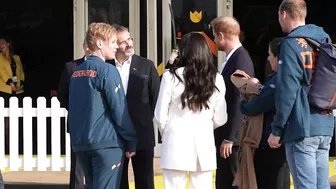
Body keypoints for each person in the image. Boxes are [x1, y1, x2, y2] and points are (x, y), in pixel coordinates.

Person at [267, 1, 334, 189]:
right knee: (322, 186)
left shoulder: (290, 44)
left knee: (305, 186)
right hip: (325, 123)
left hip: (301, 125)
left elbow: (286, 90)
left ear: (284, 14)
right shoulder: (323, 39)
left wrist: (277, 129)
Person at [154, 32, 228, 189]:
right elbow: (221, 117)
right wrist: (206, 125)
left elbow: (159, 115)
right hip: (204, 141)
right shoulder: (217, 78)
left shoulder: (170, 77)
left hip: (175, 141)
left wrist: (167, 131)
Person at [68, 22, 138, 189]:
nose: (116, 47)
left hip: (82, 143)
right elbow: (119, 109)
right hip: (106, 143)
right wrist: (131, 140)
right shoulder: (107, 70)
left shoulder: (76, 72)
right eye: (113, 42)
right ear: (99, 43)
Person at [108, 24, 160, 189]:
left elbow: (155, 98)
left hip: (142, 133)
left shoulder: (146, 65)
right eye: (123, 42)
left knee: (145, 180)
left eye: (130, 39)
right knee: (118, 181)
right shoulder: (106, 66)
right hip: (114, 134)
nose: (129, 44)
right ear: (114, 44)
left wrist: (142, 118)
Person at [239, 38, 290, 189]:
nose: (268, 58)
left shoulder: (278, 79)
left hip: (270, 140)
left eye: (270, 55)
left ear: (279, 58)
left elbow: (262, 104)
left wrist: (244, 105)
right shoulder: (289, 77)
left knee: (270, 180)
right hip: (282, 139)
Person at [210, 16, 254, 189]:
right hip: (228, 136)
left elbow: (239, 99)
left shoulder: (240, 59)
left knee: (230, 181)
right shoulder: (233, 58)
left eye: (214, 36)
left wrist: (230, 137)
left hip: (231, 138)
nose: (214, 40)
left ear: (221, 35)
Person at [57, 42, 90, 189]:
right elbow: (62, 94)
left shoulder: (108, 67)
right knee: (77, 165)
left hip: (101, 125)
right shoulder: (71, 67)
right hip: (78, 123)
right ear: (84, 46)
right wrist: (76, 108)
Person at [0, 36, 25, 155]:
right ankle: (6, 146)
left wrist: (21, 84)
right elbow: (2, 72)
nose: (1, 45)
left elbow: (21, 72)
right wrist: (10, 83)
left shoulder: (16, 58)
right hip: (5, 91)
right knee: (6, 120)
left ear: (8, 44)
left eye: (2, 43)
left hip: (18, 91)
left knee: (16, 118)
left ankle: (16, 144)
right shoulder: (0, 58)